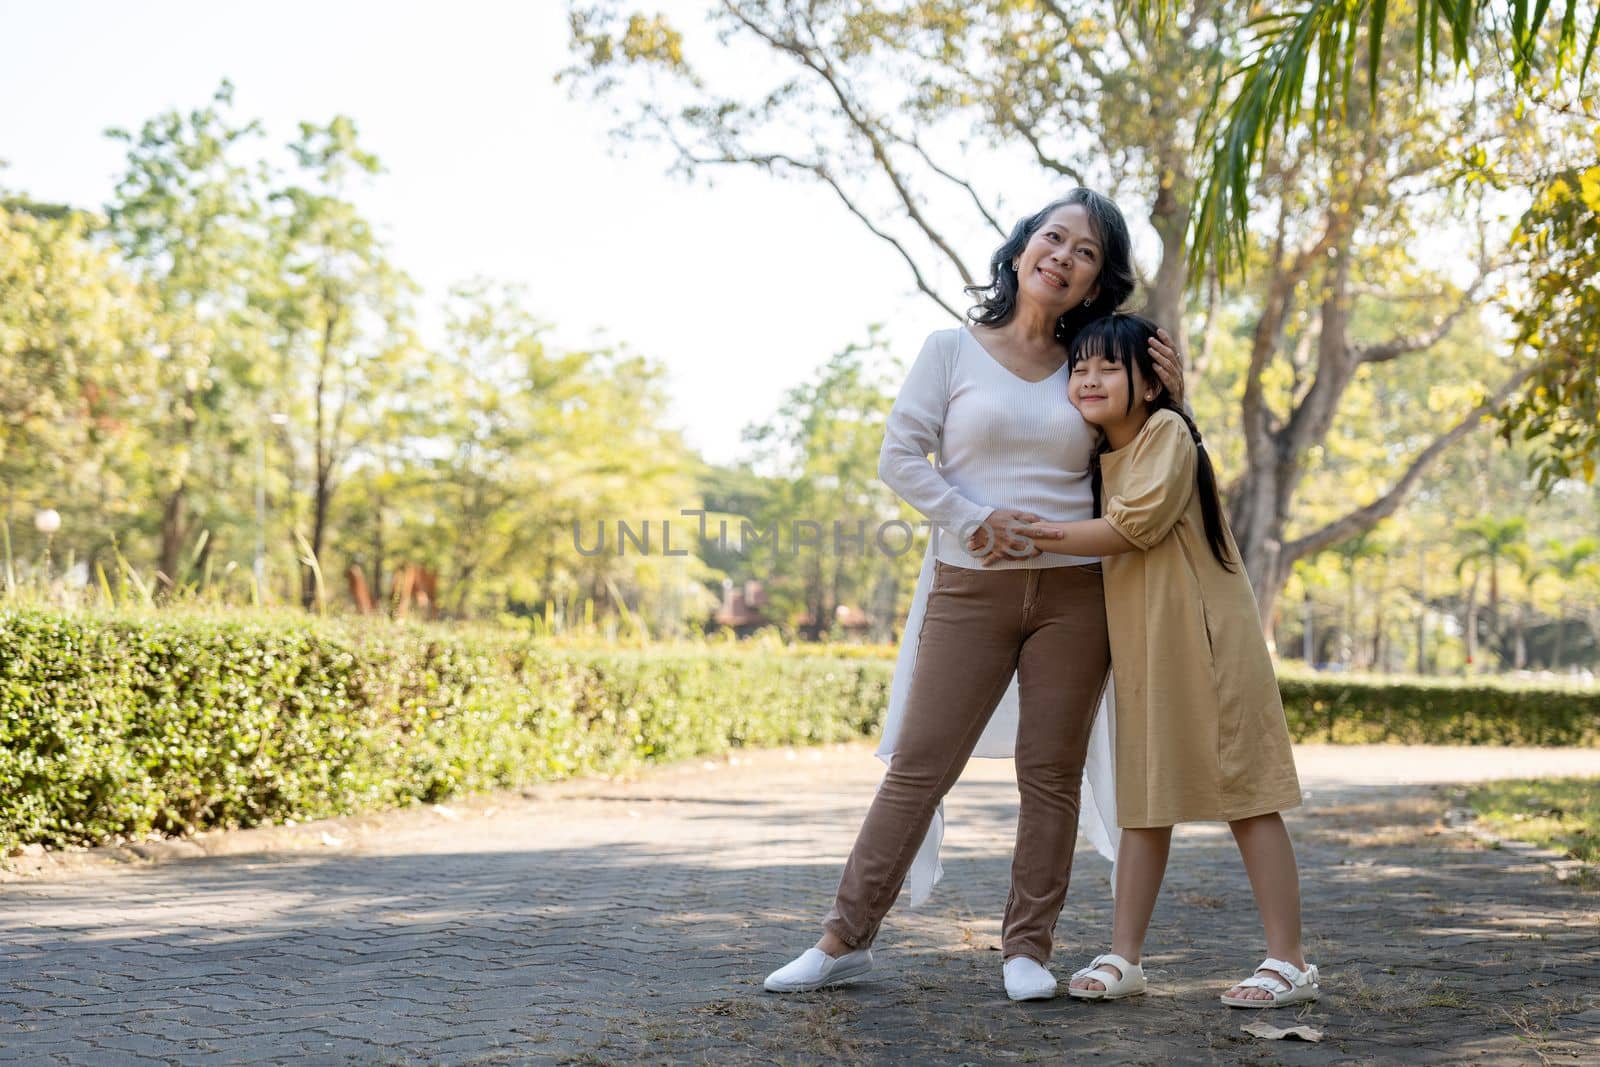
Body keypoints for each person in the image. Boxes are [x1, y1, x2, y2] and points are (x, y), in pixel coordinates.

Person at [763, 189, 1183, 1001]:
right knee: (920, 767)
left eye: (1085, 251)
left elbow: (1147, 453)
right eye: (1051, 237)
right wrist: (974, 517)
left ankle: (1027, 948)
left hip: (1076, 591)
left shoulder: (1091, 363)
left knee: (1050, 773)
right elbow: (901, 456)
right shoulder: (949, 349)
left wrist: (1171, 389)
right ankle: (841, 940)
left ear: (1097, 282)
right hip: (968, 583)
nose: (1062, 255)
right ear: (1023, 248)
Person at [1012, 313, 1319, 1009]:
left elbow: (1132, 527)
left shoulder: (1168, 432)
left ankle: (1290, 959)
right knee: (1144, 801)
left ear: (1151, 382)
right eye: (1079, 367)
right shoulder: (1099, 451)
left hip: (1207, 639)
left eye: (1108, 367)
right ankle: (1126, 956)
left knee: (1247, 792)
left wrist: (1030, 534)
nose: (1088, 378)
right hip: (1147, 644)